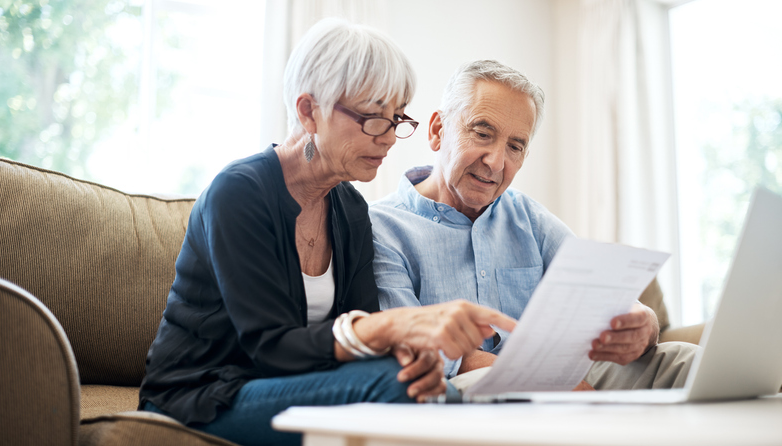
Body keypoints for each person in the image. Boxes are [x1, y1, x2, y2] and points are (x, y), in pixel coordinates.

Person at [138, 23, 516, 446]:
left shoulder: (351, 209)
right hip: (202, 397)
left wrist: (414, 357)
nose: (390, 138)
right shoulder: (239, 193)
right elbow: (270, 346)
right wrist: (393, 329)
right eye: (373, 118)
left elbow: (364, 330)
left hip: (294, 386)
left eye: (396, 118)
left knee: (432, 390)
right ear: (307, 110)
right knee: (390, 387)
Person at [370, 60, 697, 391]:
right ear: (438, 131)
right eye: (482, 133)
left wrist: (644, 322)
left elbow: (604, 295)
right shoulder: (382, 227)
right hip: (457, 385)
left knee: (684, 360)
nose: (496, 162)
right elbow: (412, 345)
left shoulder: (528, 217)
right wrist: (553, 386)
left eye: (515, 146)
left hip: (559, 376)